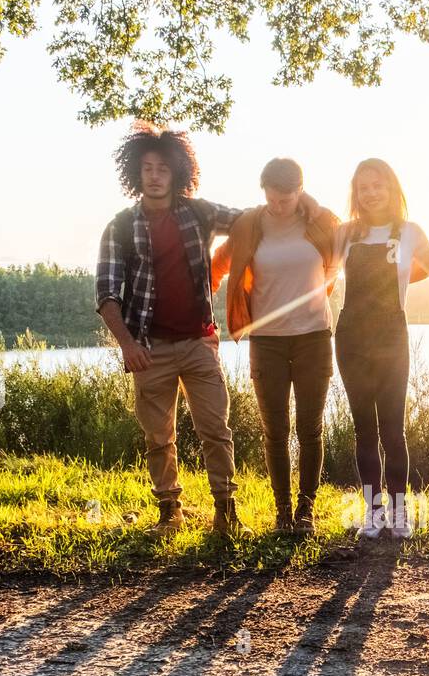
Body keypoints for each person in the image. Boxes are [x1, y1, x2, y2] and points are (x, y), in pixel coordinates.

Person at [95, 122, 245, 536]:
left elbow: (251, 221)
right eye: (147, 168)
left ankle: (225, 512)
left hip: (199, 341)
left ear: (177, 171)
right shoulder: (121, 226)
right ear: (136, 173)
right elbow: (106, 293)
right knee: (158, 437)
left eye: (162, 168)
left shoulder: (199, 212)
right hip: (149, 347)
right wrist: (126, 345)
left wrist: (300, 207)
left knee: (216, 429)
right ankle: (170, 513)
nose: (155, 175)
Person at [211, 159, 338, 536]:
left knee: (310, 428)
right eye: (272, 197)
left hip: (314, 336)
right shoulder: (249, 224)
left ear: (300, 190)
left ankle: (306, 510)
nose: (279, 205)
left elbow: (338, 262)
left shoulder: (321, 221)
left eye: (287, 198)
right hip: (266, 341)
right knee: (275, 430)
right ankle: (283, 511)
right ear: (262, 190)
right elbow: (215, 267)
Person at [334, 159, 429, 541]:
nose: (370, 193)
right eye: (362, 187)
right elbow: (317, 279)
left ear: (392, 188)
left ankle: (399, 513)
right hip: (351, 337)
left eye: (377, 185)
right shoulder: (344, 233)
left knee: (392, 429)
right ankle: (373, 514)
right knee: (363, 430)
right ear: (355, 193)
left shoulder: (411, 232)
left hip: (391, 336)